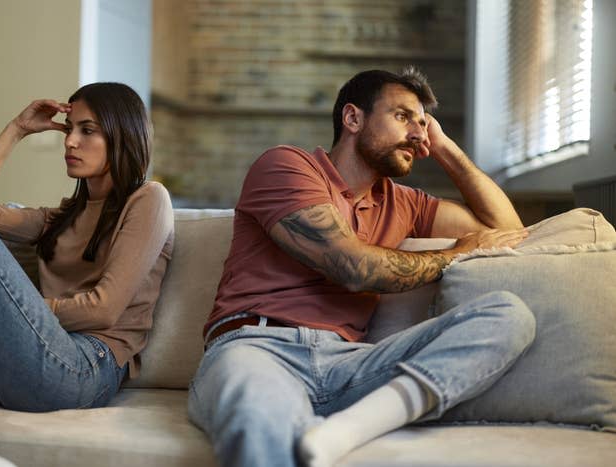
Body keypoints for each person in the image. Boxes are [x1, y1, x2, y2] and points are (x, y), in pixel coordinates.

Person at [188, 68, 536, 467]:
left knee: (508, 315)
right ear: (352, 119)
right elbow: (350, 266)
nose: (418, 133)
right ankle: (323, 433)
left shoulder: (405, 202)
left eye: (423, 124)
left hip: (350, 363)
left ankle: (345, 432)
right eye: (403, 117)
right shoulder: (287, 166)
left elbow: (509, 231)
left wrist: (445, 149)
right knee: (259, 418)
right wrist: (454, 253)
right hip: (257, 348)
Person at [0, 82, 174, 412]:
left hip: (82, 369)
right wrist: (16, 129)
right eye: (68, 129)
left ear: (122, 134)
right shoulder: (61, 218)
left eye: (87, 130)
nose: (70, 141)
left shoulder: (148, 199)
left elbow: (103, 308)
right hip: (12, 372)